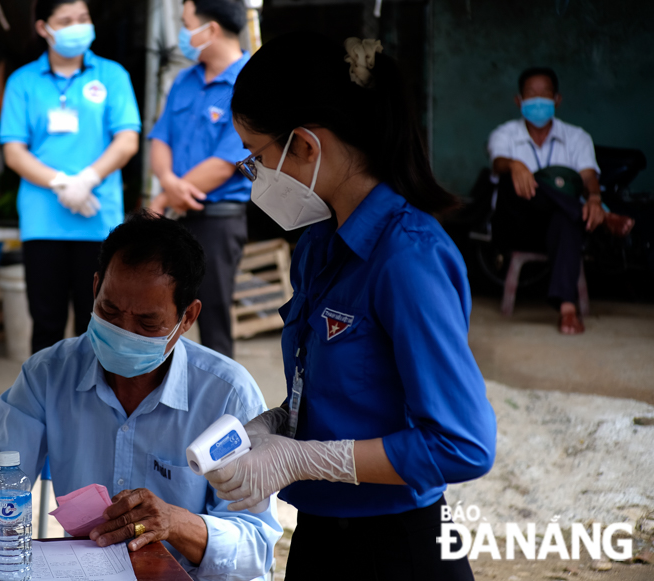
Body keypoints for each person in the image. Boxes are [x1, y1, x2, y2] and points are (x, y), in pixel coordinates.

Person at [204, 33, 497, 580]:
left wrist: (303, 458)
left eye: (258, 159)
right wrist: (274, 428)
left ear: (307, 147)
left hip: (400, 546)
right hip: (320, 530)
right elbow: (334, 384)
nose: (256, 179)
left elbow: (463, 445)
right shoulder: (318, 243)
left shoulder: (408, 257)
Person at [0, 211, 281, 581]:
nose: (123, 331)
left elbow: (256, 545)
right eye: (109, 310)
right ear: (95, 289)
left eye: (147, 323)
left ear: (187, 317)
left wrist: (175, 524)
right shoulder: (48, 374)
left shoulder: (227, 394)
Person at [0, 0, 141, 354]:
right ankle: (44, 405)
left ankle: (94, 406)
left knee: (97, 322)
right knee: (45, 322)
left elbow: (127, 139)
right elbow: (14, 151)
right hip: (43, 220)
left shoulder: (112, 76)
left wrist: (89, 179)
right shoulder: (23, 82)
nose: (78, 26)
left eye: (83, 17)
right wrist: (62, 183)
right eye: (66, 20)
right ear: (44, 28)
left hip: (98, 218)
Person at [488, 67, 634, 334]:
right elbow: (497, 164)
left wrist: (593, 197)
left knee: (565, 217)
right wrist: (514, 163)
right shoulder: (505, 134)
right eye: (531, 95)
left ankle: (568, 310)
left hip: (557, 227)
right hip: (517, 226)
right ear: (519, 101)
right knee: (512, 179)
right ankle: (603, 217)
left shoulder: (577, 137)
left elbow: (589, 176)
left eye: (545, 94)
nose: (538, 100)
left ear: (557, 100)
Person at [147, 0, 252, 358]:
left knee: (213, 317)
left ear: (210, 29)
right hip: (175, 214)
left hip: (218, 221)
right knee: (160, 314)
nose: (182, 33)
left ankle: (225, 408)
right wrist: (169, 184)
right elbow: (160, 138)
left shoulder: (250, 82)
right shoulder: (185, 80)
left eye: (186, 23)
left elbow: (227, 162)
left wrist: (163, 196)